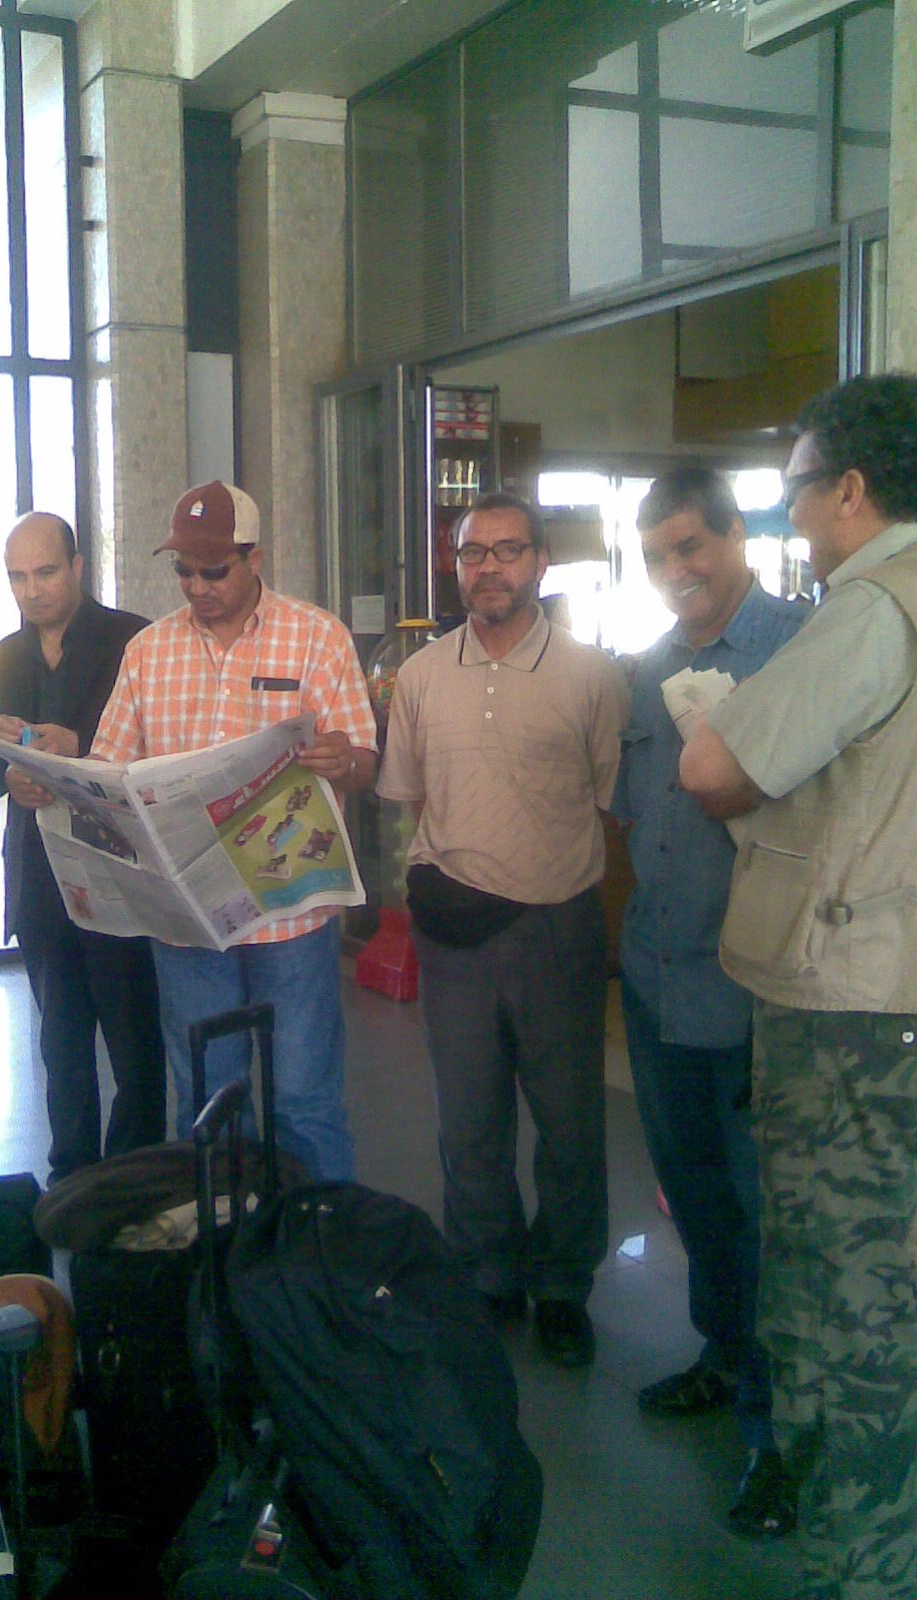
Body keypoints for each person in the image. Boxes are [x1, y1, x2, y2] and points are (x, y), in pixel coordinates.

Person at [679, 373, 917, 1600]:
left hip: (855, 1015)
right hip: (897, 1000)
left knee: (844, 1308)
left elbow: (718, 766)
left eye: (797, 492)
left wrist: (726, 724)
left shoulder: (873, 606)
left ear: (853, 489)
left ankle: (859, 1569)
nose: (793, 516)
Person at [377, 491, 628, 1367]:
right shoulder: (418, 676)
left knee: (569, 1124)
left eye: (508, 550)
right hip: (455, 936)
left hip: (558, 927)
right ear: (456, 565)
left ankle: (562, 1283)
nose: (489, 567)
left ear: (540, 563)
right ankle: (488, 1272)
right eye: (473, 552)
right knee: (469, 1120)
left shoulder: (591, 676)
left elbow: (608, 798)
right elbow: (407, 798)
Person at [613, 466, 806, 1537]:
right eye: (657, 556)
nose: (677, 573)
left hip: (757, 986)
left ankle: (773, 1432)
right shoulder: (648, 674)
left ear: (738, 535)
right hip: (658, 979)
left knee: (767, 1211)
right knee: (696, 1193)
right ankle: (722, 1356)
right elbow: (636, 815)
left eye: (693, 546)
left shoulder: (799, 650)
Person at [90, 481, 377, 1182]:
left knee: (303, 1092)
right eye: (183, 571)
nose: (197, 586)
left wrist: (345, 760)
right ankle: (223, 1255)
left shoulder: (317, 637)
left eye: (213, 570)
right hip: (190, 916)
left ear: (254, 559)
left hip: (292, 912)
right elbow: (109, 765)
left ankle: (309, 1258)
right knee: (207, 1094)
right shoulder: (148, 652)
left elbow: (364, 760)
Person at [0, 512, 165, 1181]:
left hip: (116, 871)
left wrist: (78, 747)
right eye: (19, 577)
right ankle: (72, 1177)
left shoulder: (131, 639)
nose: (33, 590)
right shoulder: (2, 657)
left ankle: (134, 1179)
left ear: (78, 567)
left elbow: (158, 753)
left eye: (46, 572)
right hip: (39, 875)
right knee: (61, 1042)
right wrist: (6, 767)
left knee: (135, 1041)